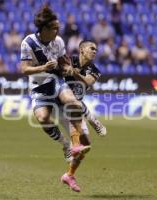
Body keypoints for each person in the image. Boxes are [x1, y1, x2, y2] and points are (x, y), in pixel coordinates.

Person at [20, 5, 90, 164]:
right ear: (44, 29)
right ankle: (65, 145)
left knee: (73, 103)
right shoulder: (28, 43)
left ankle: (76, 144)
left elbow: (62, 62)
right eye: (54, 29)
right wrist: (43, 68)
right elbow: (24, 69)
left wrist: (67, 69)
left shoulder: (58, 41)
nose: (57, 32)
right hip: (39, 85)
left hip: (56, 80)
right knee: (43, 118)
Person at [59, 40, 106, 192]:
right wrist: (67, 69)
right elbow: (60, 70)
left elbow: (87, 81)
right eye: (91, 48)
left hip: (77, 106)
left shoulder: (95, 70)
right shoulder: (68, 60)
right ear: (81, 50)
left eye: (96, 49)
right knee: (73, 111)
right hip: (61, 104)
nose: (94, 51)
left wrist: (75, 73)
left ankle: (69, 175)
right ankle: (76, 144)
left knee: (87, 145)